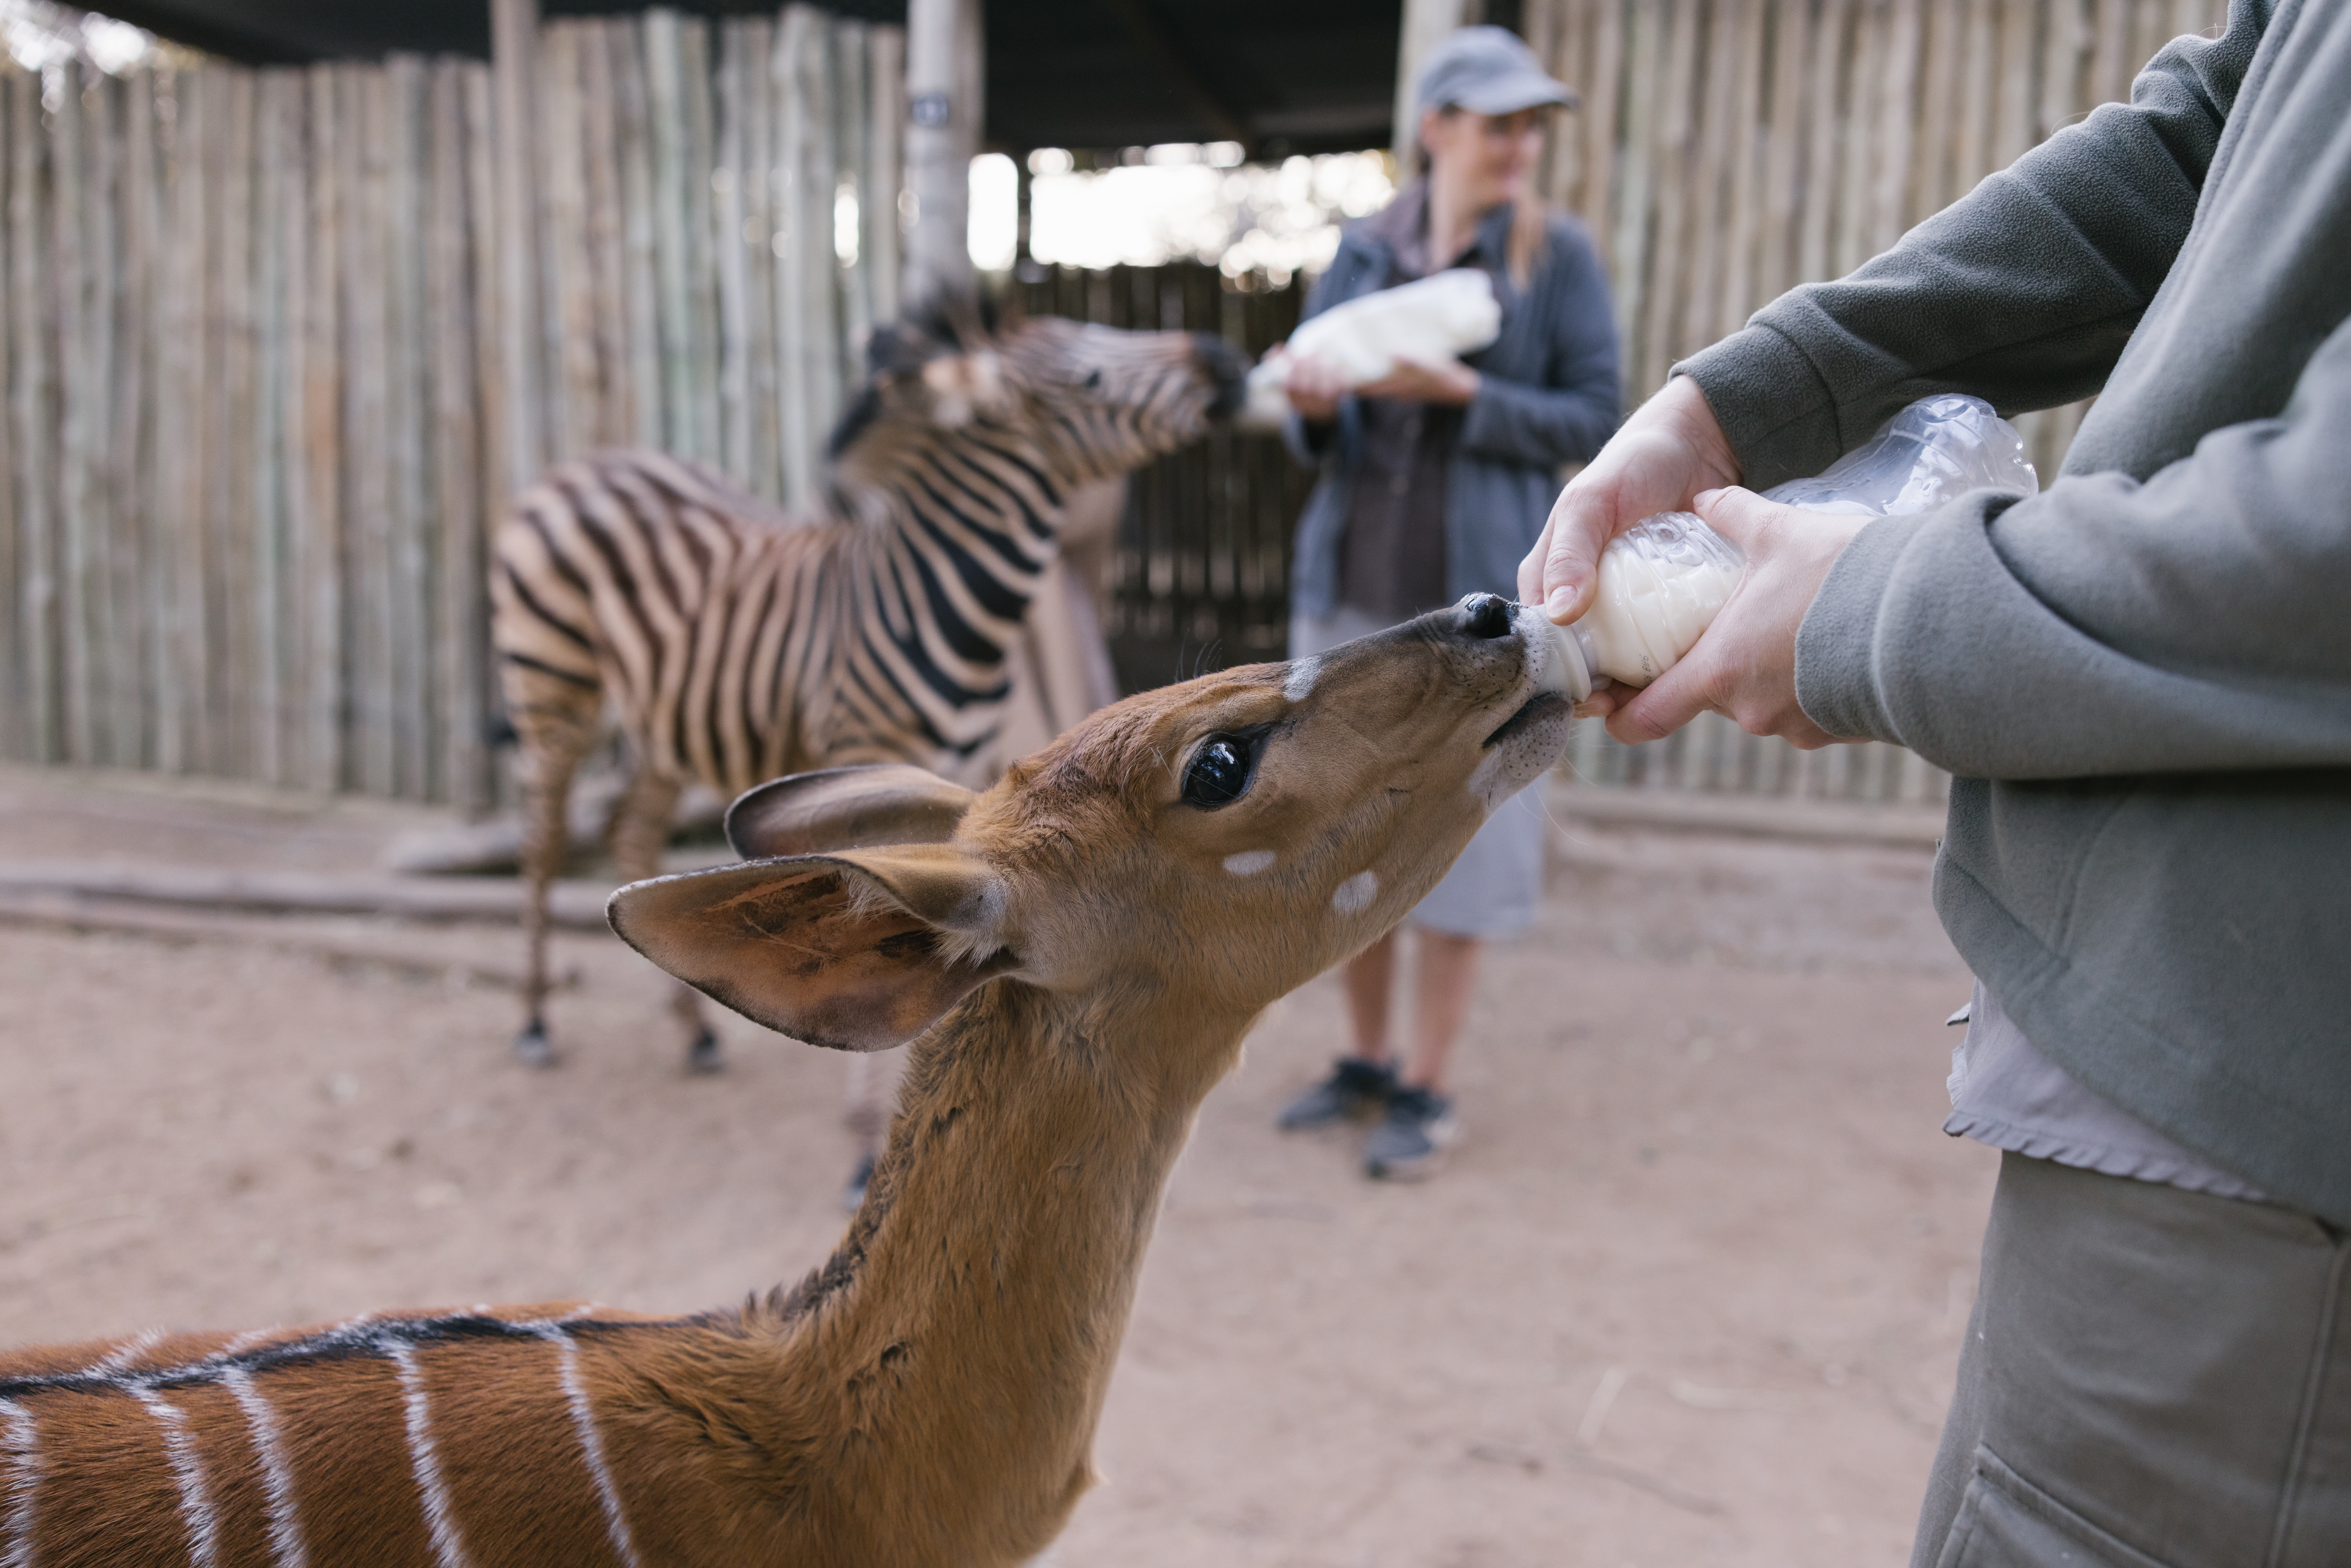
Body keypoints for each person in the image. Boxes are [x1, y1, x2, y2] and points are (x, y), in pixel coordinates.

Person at [1522, 4, 2350, 1560]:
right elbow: (2221, 126)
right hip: (2178, 1071)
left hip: (2270, 1132)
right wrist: (1744, 400)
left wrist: (1885, 608)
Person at [1274, 25, 1619, 1180]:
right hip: (1354, 597)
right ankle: (1363, 1059)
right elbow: (1302, 424)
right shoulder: (1362, 252)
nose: (1520, 144)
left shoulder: (1554, 258)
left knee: (1466, 835)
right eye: (1498, 123)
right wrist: (1317, 404)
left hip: (1480, 613)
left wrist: (1462, 391)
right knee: (1341, 832)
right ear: (1436, 130)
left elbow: (1590, 418)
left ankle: (1427, 1083)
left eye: (1532, 125)